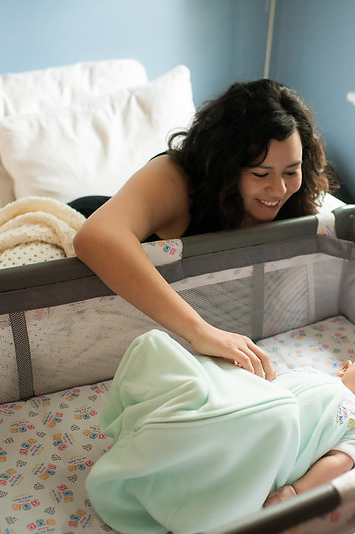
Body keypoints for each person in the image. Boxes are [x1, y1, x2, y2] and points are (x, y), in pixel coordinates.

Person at [71, 79, 337, 381]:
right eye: (260, 173)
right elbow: (96, 237)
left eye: (291, 171)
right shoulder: (175, 178)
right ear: (225, 166)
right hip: (91, 217)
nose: (279, 189)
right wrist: (199, 331)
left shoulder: (295, 197)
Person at [85, 329, 355, 533]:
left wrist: (297, 491)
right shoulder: (312, 373)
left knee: (276, 415)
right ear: (345, 367)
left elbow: (338, 463)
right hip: (242, 406)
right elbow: (263, 383)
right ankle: (164, 414)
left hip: (263, 443)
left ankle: (163, 450)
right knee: (169, 353)